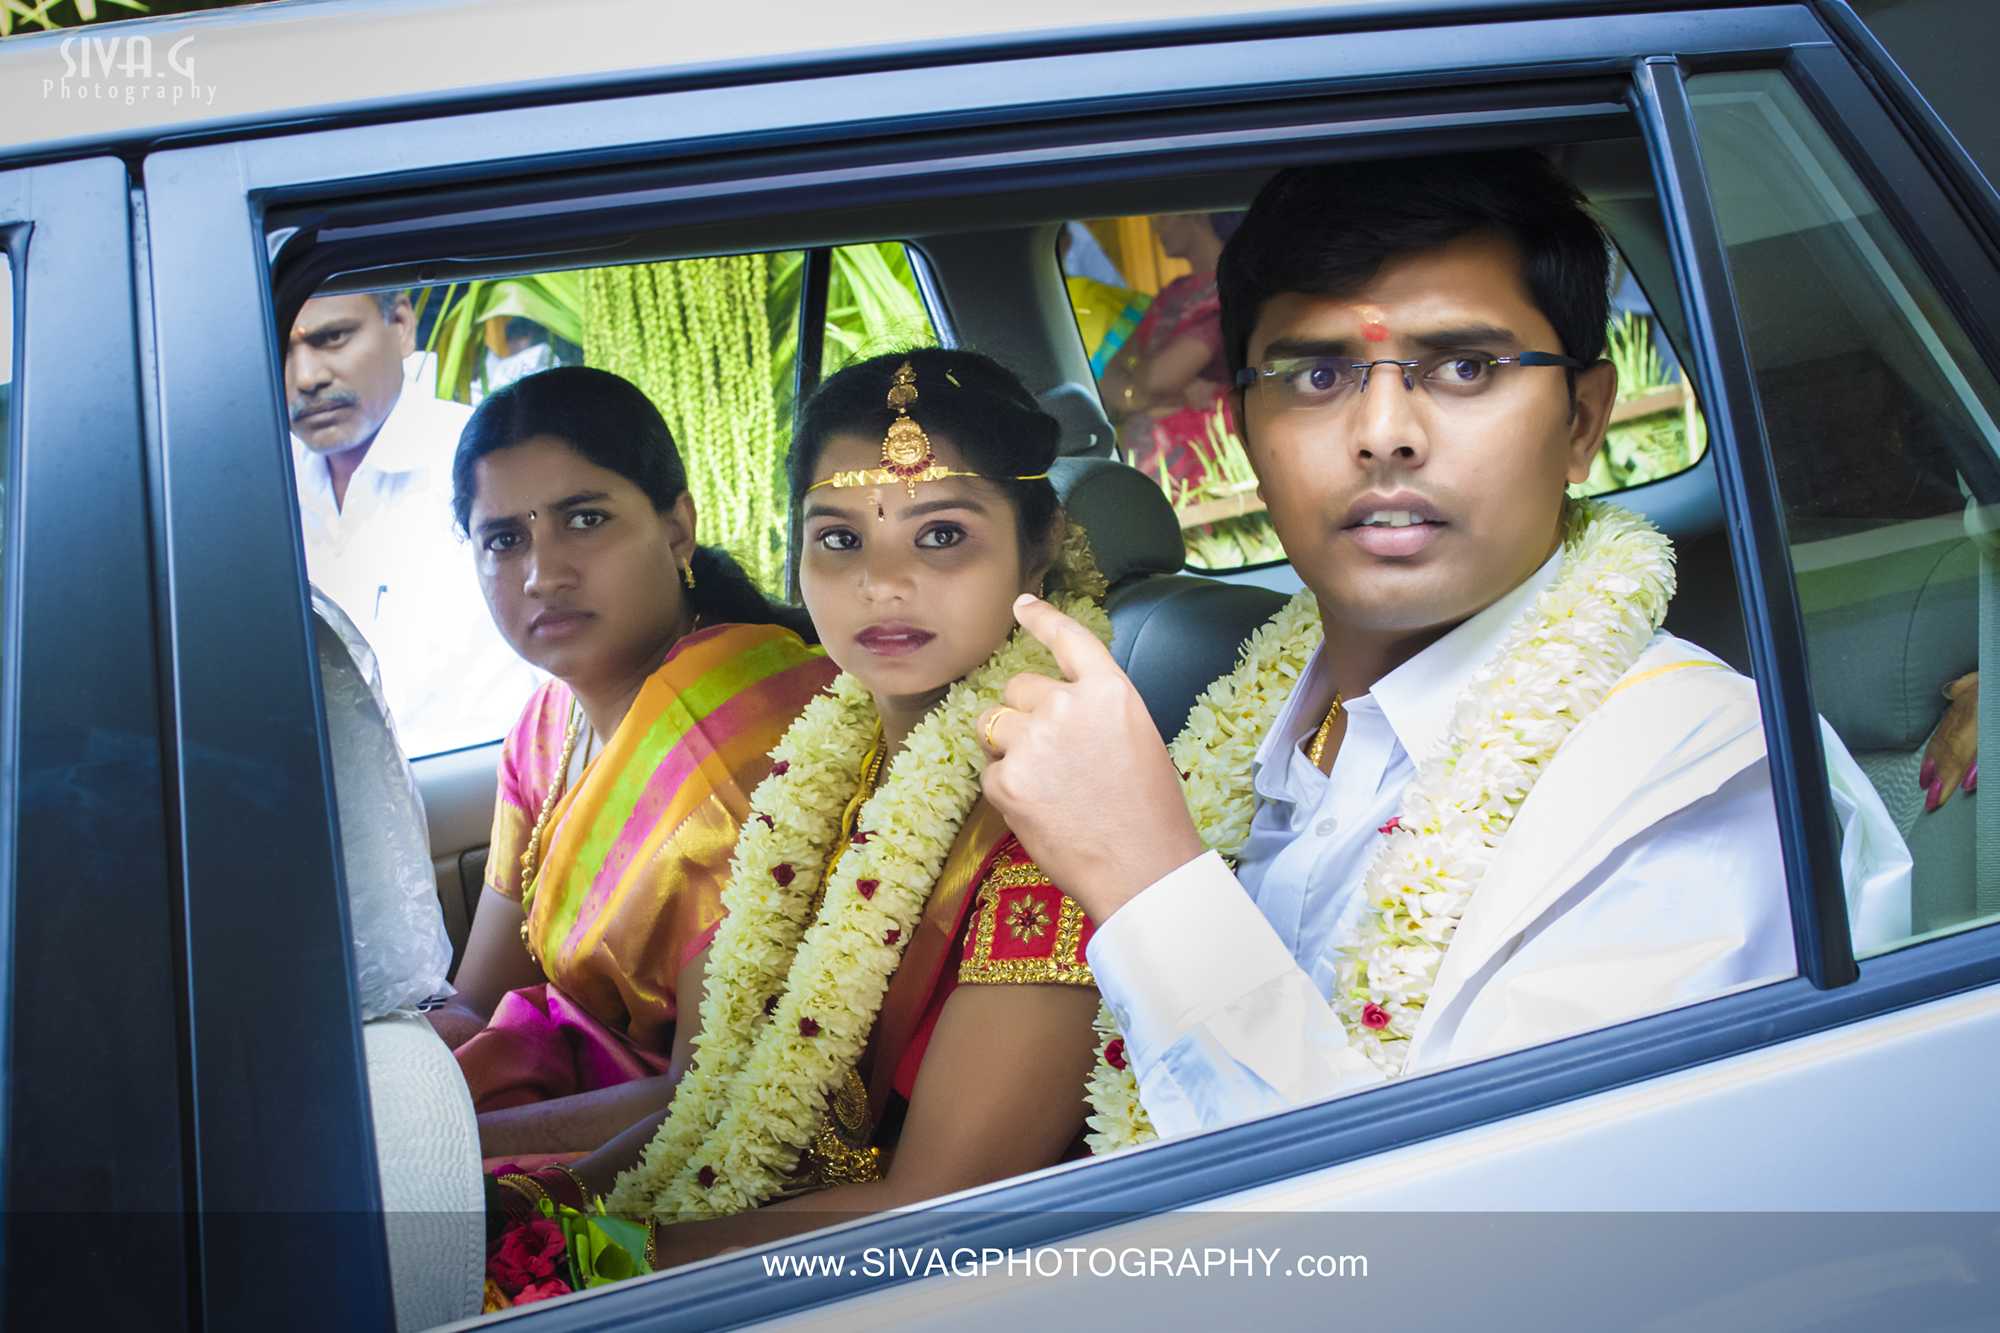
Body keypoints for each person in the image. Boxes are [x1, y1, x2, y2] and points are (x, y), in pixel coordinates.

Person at [975, 152, 1913, 1146]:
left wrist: (1151, 880)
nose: (1384, 433)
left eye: (1464, 367)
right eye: (1317, 373)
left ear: (1581, 420)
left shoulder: (1699, 778)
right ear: (1245, 434)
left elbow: (1474, 1254)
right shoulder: (1255, 727)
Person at [484, 350, 1106, 1292]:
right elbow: (717, 1103)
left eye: (941, 536)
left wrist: (584, 1276)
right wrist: (537, 1220)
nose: (882, 585)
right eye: (840, 539)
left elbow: (941, 1209)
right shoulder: (824, 768)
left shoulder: (1062, 818)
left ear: (1041, 541)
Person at [434, 366, 838, 1160]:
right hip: (567, 1102)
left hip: (703, 1153)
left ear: (677, 528)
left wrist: (447, 1155)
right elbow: (479, 1001)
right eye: (505, 538)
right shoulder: (544, 728)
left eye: (585, 519)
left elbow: (716, 1096)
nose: (543, 574)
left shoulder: (749, 737)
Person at [288, 289, 542, 757]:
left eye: (332, 338)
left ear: (402, 324)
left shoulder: (495, 466)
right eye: (280, 349)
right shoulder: (257, 492)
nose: (306, 377)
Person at [1097, 211, 1239, 488]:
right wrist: (1144, 399)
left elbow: (1158, 378)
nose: (1154, 227)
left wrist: (1134, 391)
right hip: (1150, 463)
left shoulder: (1230, 292)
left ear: (1196, 216)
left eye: (1162, 217)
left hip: (1207, 470)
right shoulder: (1174, 293)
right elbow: (1111, 375)